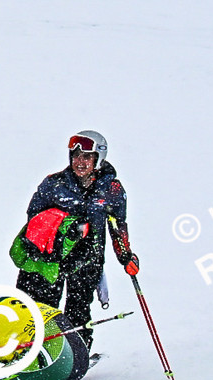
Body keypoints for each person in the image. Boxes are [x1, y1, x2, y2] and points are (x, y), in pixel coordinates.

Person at [15, 131, 140, 348]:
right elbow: (34, 219)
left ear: (98, 158)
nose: (80, 162)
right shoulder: (54, 184)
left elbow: (118, 226)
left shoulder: (112, 190)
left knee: (79, 311)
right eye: (76, 156)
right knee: (42, 309)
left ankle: (77, 352)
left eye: (87, 157)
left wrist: (125, 255)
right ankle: (37, 350)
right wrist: (61, 229)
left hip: (87, 261)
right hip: (52, 260)